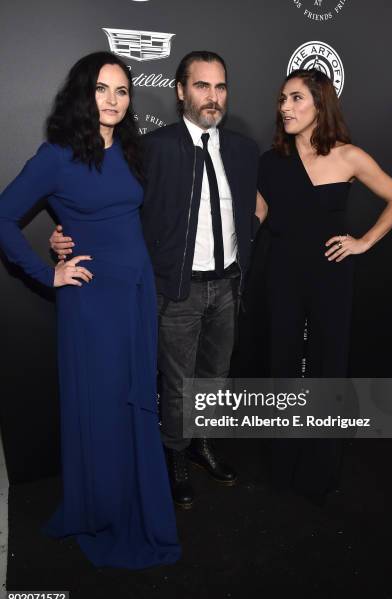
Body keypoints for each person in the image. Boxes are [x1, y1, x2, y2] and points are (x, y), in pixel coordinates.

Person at [51, 50, 263, 510]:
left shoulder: (244, 151)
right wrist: (66, 231)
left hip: (227, 286)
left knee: (215, 377)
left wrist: (248, 236)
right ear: (180, 91)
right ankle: (175, 457)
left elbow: (252, 208)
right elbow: (114, 206)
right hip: (176, 289)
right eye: (202, 85)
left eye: (221, 86)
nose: (213, 96)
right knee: (178, 383)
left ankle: (202, 442)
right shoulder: (150, 149)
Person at [0, 51, 180, 568]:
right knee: (102, 407)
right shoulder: (56, 156)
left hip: (137, 293)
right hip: (93, 302)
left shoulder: (130, 149)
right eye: (103, 89)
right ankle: (103, 506)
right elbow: (5, 219)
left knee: (136, 398)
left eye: (122, 91)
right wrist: (48, 270)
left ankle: (136, 496)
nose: (114, 100)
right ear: (82, 94)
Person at [256, 68, 392, 502]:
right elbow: (260, 211)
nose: (285, 107)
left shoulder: (348, 156)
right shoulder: (270, 162)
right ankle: (282, 467)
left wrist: (363, 243)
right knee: (281, 368)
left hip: (330, 274)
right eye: (282, 98)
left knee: (328, 369)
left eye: (296, 99)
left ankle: (320, 470)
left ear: (320, 105)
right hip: (282, 272)